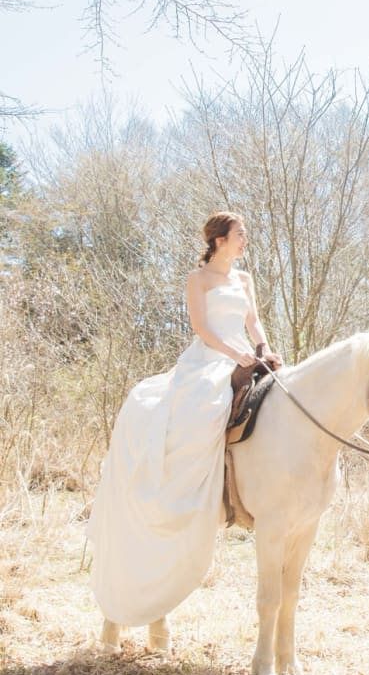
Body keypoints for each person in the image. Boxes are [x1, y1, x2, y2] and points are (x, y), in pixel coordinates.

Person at [87, 211, 282, 630]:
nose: (245, 240)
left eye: (244, 234)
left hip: (246, 354)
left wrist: (263, 347)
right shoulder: (199, 280)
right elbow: (202, 327)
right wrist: (236, 354)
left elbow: (253, 321)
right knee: (202, 410)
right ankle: (180, 490)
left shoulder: (244, 280)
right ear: (218, 240)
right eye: (239, 234)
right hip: (208, 360)